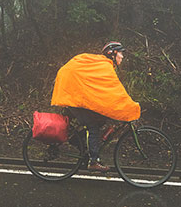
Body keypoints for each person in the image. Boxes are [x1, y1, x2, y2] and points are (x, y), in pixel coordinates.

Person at [50, 41, 141, 172]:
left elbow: (108, 93)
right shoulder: (104, 67)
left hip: (74, 95)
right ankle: (93, 161)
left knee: (100, 119)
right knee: (92, 126)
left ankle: (77, 140)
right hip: (73, 97)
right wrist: (130, 107)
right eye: (121, 53)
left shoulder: (103, 65)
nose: (123, 57)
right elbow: (117, 93)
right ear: (113, 53)